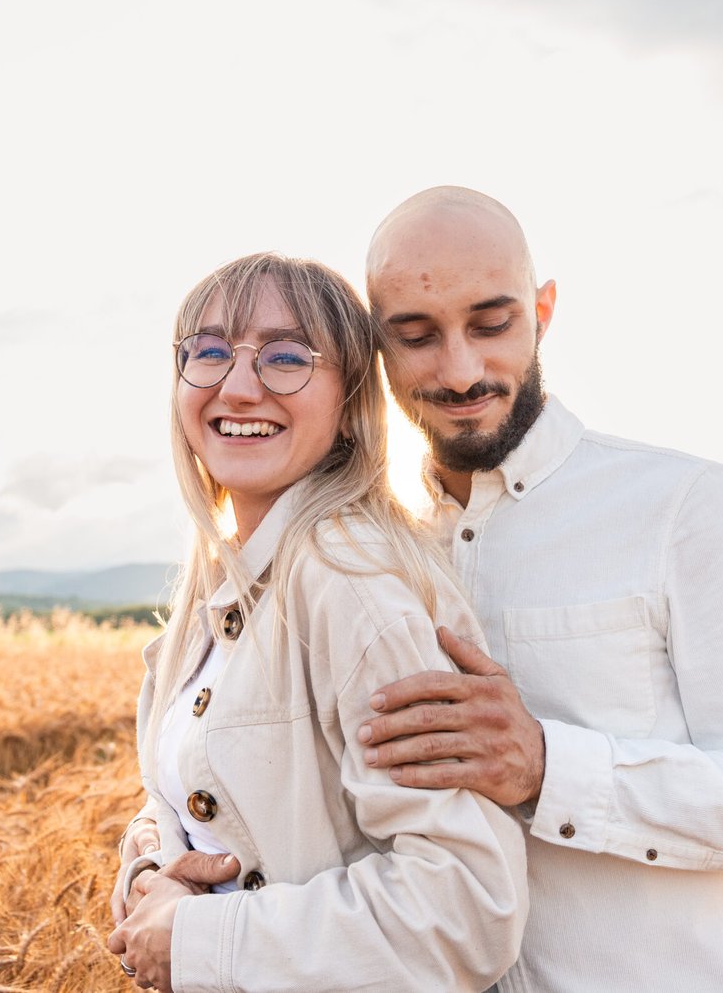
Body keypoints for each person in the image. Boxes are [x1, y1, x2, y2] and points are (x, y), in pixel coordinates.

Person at [355, 186, 723, 992]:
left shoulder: (681, 505)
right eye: (416, 336)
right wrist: (156, 856)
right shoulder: (370, 551)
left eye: (492, 323)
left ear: (542, 312)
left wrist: (547, 765)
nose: (460, 369)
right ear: (375, 347)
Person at [106, 252, 526, 992]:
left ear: (351, 402)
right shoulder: (221, 585)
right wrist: (150, 876)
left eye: (287, 357)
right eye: (209, 351)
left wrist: (199, 940)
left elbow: (461, 908)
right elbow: (193, 796)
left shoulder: (352, 585)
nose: (239, 385)